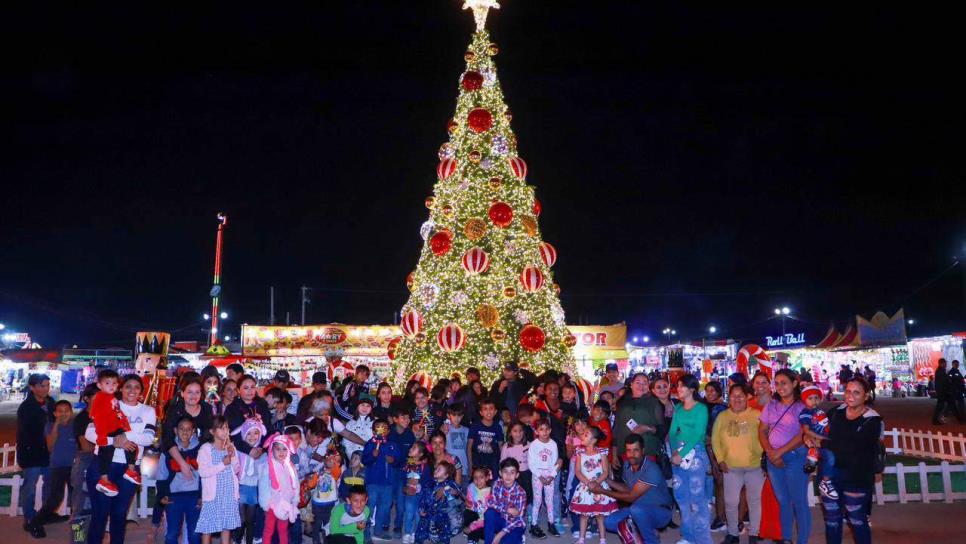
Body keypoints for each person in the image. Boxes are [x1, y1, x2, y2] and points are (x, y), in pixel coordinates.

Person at [84, 374, 157, 544]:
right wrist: (113, 442)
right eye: (128, 386)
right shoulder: (108, 403)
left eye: (136, 387)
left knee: (119, 513)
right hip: (103, 466)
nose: (132, 390)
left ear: (141, 391)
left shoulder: (148, 411)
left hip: (129, 469)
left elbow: (148, 438)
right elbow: (90, 432)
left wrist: (123, 436)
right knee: (100, 513)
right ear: (121, 388)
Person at [810, 376, 882, 544]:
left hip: (856, 478)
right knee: (832, 521)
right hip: (830, 478)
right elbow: (819, 430)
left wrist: (823, 442)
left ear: (866, 396)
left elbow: (854, 446)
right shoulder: (836, 412)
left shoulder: (873, 420)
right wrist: (810, 437)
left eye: (856, 392)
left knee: (858, 520)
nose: (850, 395)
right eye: (848, 391)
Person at [758, 369, 810, 544]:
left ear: (794, 383)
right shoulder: (771, 405)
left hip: (795, 457)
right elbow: (762, 430)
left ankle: (802, 540)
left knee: (799, 502)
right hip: (774, 459)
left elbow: (803, 434)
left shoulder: (802, 407)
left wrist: (779, 452)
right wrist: (770, 452)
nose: (780, 387)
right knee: (783, 502)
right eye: (777, 383)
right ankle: (786, 538)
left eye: (784, 383)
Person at [592, 434, 672, 544]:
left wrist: (602, 491)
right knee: (609, 522)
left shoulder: (651, 468)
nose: (632, 454)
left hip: (660, 512)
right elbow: (628, 489)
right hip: (638, 510)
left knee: (636, 509)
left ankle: (651, 540)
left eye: (636, 450)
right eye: (628, 450)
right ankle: (644, 531)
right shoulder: (627, 465)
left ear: (643, 451)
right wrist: (608, 481)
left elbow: (631, 497)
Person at [711, 383, 764, 544]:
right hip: (731, 467)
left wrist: (763, 456)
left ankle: (754, 533)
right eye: (733, 396)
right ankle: (733, 533)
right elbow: (715, 439)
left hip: (755, 466)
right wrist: (720, 459)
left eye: (740, 395)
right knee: (731, 502)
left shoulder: (757, 414)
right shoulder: (723, 416)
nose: (737, 399)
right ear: (729, 398)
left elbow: (765, 436)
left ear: (747, 397)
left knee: (754, 501)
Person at [668, 374, 712, 544]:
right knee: (681, 496)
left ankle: (703, 539)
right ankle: (688, 536)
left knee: (697, 497)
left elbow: (698, 434)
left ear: (692, 389)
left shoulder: (701, 408)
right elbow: (672, 432)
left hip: (696, 453)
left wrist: (681, 453)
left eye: (682, 386)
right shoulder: (678, 408)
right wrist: (674, 452)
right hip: (678, 453)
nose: (678, 389)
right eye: (678, 385)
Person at [26, 399, 77, 537]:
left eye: (66, 411)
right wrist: (56, 425)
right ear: (54, 413)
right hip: (58, 466)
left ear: (71, 412)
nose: (63, 414)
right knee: (55, 498)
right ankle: (34, 522)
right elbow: (50, 446)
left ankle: (78, 526)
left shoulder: (75, 426)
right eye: (60, 411)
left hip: (74, 467)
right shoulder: (49, 426)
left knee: (77, 497)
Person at [89, 369, 142, 496]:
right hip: (106, 431)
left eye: (114, 383)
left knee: (132, 447)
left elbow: (117, 413)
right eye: (107, 383)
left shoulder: (111, 398)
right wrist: (104, 437)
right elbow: (96, 417)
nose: (111, 386)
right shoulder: (100, 398)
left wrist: (125, 429)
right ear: (99, 385)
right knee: (106, 455)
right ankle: (104, 480)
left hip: (115, 429)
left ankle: (130, 470)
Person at [195, 416, 242, 544]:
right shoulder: (206, 449)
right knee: (208, 526)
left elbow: (237, 470)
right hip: (213, 496)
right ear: (212, 431)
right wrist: (223, 463)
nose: (225, 431)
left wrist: (232, 456)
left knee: (227, 526)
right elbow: (203, 472)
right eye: (221, 428)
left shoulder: (230, 446)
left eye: (226, 427)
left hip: (228, 494)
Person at [17, 373, 55, 528]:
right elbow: (28, 433)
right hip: (31, 453)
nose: (45, 388)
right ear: (32, 387)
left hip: (48, 452)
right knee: (30, 487)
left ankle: (45, 514)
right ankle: (30, 518)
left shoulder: (51, 402)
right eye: (41, 385)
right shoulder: (26, 407)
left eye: (47, 385)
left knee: (50, 484)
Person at [157, 416, 202, 544]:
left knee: (194, 534)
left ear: (193, 431)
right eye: (181, 429)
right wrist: (163, 494)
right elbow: (161, 475)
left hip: (193, 497)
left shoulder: (200, 450)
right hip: (174, 497)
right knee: (172, 533)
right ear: (176, 430)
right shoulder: (169, 451)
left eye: (188, 429)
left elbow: (204, 476)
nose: (185, 432)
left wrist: (202, 495)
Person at [570, 426, 617, 544]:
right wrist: (588, 482)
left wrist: (596, 483)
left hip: (599, 486)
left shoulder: (602, 453)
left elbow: (606, 471)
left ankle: (602, 539)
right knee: (584, 515)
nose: (582, 436)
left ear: (594, 440)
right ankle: (581, 539)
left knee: (599, 515)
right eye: (583, 434)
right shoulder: (580, 453)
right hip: (585, 487)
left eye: (586, 434)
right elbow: (578, 471)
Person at [611, 373, 663, 465]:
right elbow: (616, 429)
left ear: (648, 385)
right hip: (625, 452)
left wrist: (648, 428)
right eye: (638, 382)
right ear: (631, 384)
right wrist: (614, 454)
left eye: (645, 383)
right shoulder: (622, 403)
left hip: (647, 452)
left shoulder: (654, 402)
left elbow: (662, 429)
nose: (641, 386)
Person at [258, 433, 299, 544]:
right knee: (269, 529)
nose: (281, 452)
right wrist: (265, 503)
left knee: (283, 530)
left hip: (286, 503)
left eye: (284, 449)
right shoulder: (268, 466)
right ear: (272, 450)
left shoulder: (290, 466)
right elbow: (263, 486)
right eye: (278, 449)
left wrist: (295, 499)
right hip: (272, 504)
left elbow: (295, 484)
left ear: (288, 451)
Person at [363, 418, 400, 541]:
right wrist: (372, 456)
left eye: (384, 427)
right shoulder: (370, 444)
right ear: (374, 431)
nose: (381, 429)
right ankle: (366, 531)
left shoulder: (392, 445)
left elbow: (399, 462)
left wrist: (393, 460)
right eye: (378, 427)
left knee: (385, 507)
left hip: (387, 483)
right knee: (370, 506)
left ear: (388, 431)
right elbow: (365, 461)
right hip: (372, 482)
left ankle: (378, 531)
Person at [799, 385, 837, 500]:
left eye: (816, 398)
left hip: (824, 440)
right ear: (804, 400)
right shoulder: (806, 412)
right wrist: (820, 438)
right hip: (818, 441)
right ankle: (825, 482)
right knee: (830, 458)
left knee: (830, 458)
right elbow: (806, 430)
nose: (814, 401)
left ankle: (812, 458)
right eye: (810, 398)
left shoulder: (820, 411)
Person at [234, 418, 267, 544]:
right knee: (241, 519)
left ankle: (249, 541)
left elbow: (264, 473)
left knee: (251, 519)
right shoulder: (239, 451)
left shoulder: (262, 454)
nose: (252, 437)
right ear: (243, 434)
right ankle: (236, 539)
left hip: (254, 489)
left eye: (256, 433)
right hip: (241, 487)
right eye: (249, 433)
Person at [416, 460, 464, 544]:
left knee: (443, 533)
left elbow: (458, 492)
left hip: (442, 514)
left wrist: (447, 489)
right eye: (436, 469)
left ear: (446, 475)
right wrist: (421, 508)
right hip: (428, 512)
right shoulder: (429, 483)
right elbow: (423, 497)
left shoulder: (450, 484)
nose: (435, 470)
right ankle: (418, 541)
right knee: (421, 528)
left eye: (439, 469)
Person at [524, 420, 558, 538]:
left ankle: (551, 523)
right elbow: (531, 463)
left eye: (546, 429)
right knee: (537, 501)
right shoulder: (534, 444)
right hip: (537, 475)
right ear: (537, 431)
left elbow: (555, 462)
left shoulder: (553, 444)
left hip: (549, 476)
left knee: (549, 501)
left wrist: (551, 475)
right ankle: (533, 525)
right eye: (541, 429)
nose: (544, 432)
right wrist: (540, 476)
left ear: (550, 430)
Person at [70, 383, 99, 521]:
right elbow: (86, 447)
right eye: (97, 396)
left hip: (100, 461)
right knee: (82, 504)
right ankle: (78, 539)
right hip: (86, 462)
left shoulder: (105, 416)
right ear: (87, 398)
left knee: (97, 504)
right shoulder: (82, 419)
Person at [227, 374, 274, 459]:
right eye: (246, 388)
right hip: (241, 451)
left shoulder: (262, 405)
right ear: (238, 390)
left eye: (252, 387)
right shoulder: (232, 408)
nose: (250, 391)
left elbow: (268, 428)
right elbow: (233, 434)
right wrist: (249, 450)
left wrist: (263, 448)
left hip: (263, 450)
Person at [483, 458, 527, 544]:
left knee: (504, 541)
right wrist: (507, 509)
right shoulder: (496, 484)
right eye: (505, 471)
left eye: (512, 472)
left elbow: (518, 519)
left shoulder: (521, 493)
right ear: (500, 473)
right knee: (489, 513)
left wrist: (499, 535)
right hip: (501, 518)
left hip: (515, 525)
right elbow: (490, 503)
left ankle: (519, 539)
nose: (508, 475)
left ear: (517, 475)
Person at [468, 399, 504, 481]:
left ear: (495, 411)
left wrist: (502, 464)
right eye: (485, 409)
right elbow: (469, 446)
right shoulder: (475, 426)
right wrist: (470, 465)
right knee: (476, 488)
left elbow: (501, 446)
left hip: (493, 465)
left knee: (492, 488)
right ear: (481, 412)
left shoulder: (497, 427)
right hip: (477, 464)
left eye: (491, 408)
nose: (488, 411)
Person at [463, 467, 491, 544]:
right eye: (475, 477)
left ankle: (471, 535)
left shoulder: (490, 493)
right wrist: (468, 503)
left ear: (487, 478)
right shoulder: (471, 487)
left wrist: (472, 527)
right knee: (467, 513)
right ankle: (471, 535)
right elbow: (470, 505)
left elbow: (485, 517)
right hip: (475, 515)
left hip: (484, 519)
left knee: (484, 530)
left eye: (481, 477)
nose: (478, 480)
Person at [932, 359, 964, 424]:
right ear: (942, 363)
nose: (946, 364)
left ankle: (959, 419)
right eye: (945, 363)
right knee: (942, 406)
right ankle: (936, 419)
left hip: (944, 392)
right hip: (943, 392)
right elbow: (944, 382)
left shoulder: (941, 371)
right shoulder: (941, 371)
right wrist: (948, 388)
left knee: (950, 405)